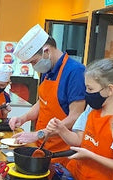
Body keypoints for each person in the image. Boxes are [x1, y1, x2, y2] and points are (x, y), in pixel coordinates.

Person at [9, 24, 86, 165]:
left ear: (46, 51)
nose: (33, 66)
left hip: (62, 152)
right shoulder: (47, 69)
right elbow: (43, 101)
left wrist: (38, 134)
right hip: (42, 147)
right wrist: (24, 118)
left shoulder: (75, 72)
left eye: (33, 61)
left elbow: (75, 117)